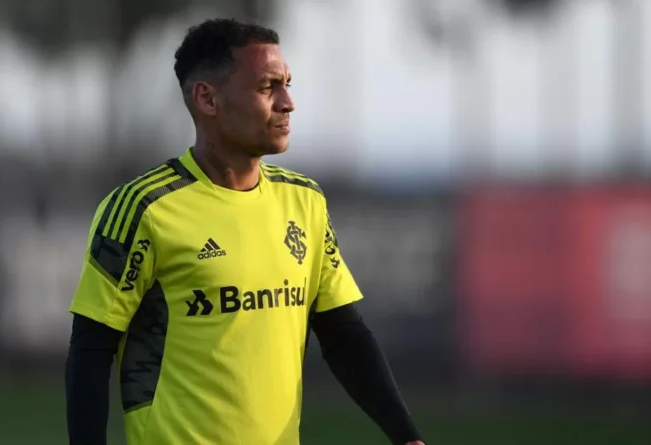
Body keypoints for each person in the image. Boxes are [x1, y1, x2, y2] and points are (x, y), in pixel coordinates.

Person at [65, 18, 425, 445]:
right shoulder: (145, 207)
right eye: (267, 87)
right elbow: (91, 350)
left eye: (287, 84)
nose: (288, 103)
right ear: (208, 98)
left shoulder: (304, 201)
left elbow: (343, 334)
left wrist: (407, 436)